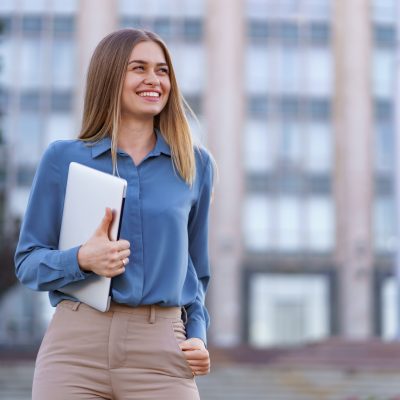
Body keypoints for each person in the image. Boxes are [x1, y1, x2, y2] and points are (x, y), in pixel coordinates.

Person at [15, 28, 215, 400]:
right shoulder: (63, 158)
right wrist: (82, 259)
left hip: (161, 351)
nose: (154, 80)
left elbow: (196, 274)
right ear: (110, 76)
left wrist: (198, 336)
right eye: (138, 68)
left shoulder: (196, 165)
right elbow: (27, 262)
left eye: (163, 70)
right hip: (75, 350)